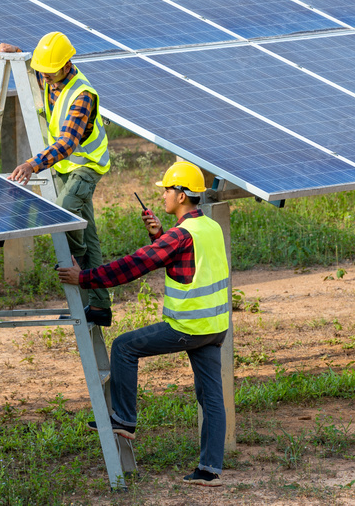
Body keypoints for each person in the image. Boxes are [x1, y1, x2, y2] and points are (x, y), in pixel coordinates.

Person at [57, 161, 230, 487]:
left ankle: (123, 418)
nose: (163, 195)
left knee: (124, 346)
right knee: (211, 398)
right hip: (215, 328)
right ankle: (209, 470)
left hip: (188, 328)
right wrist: (159, 235)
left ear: (180, 195)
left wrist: (85, 278)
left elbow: (134, 265)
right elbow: (190, 260)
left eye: (166, 190)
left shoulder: (180, 236)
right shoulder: (209, 227)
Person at [0, 32, 113, 326]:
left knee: (63, 212)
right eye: (43, 72)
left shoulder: (82, 95)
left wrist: (32, 164)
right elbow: (37, 67)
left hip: (86, 165)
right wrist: (17, 53)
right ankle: (99, 306)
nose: (45, 78)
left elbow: (67, 144)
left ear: (67, 65)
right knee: (89, 238)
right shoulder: (49, 74)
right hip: (64, 169)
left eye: (50, 73)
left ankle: (75, 257)